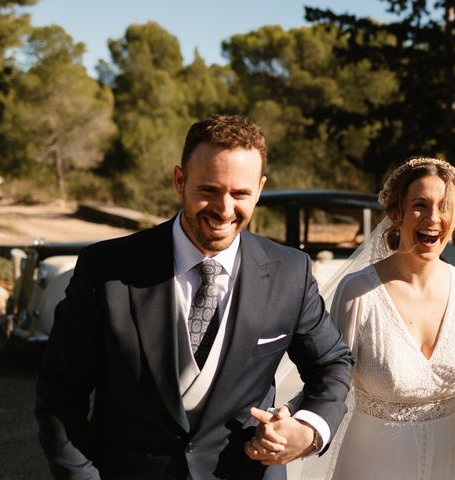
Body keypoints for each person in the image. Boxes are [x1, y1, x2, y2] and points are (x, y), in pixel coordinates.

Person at [35, 114, 353, 480]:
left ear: (260, 189)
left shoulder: (291, 271)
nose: (224, 209)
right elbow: (61, 392)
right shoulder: (105, 269)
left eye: (240, 194)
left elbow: (331, 364)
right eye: (208, 190)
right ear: (179, 181)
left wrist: (310, 430)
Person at [251, 157, 455, 479]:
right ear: (397, 213)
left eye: (444, 207)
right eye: (420, 205)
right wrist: (293, 419)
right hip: (374, 463)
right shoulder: (359, 293)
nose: (433, 218)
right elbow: (331, 377)